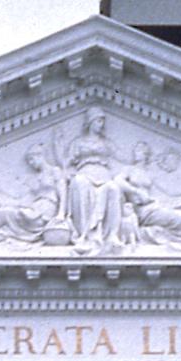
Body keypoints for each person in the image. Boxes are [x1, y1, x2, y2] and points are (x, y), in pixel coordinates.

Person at [0, 145, 67, 245]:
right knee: (3, 210)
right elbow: (20, 202)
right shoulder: (35, 178)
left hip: (44, 213)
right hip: (33, 211)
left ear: (40, 156)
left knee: (4, 212)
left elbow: (63, 192)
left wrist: (61, 214)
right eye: (29, 161)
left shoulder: (55, 171)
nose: (31, 163)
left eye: (32, 159)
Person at [65, 106, 125, 252]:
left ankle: (111, 235)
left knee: (113, 188)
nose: (101, 124)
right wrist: (65, 173)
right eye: (98, 121)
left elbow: (122, 158)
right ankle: (84, 235)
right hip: (85, 172)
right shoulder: (78, 143)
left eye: (102, 121)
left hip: (103, 174)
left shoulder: (107, 143)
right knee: (80, 183)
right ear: (90, 122)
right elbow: (67, 162)